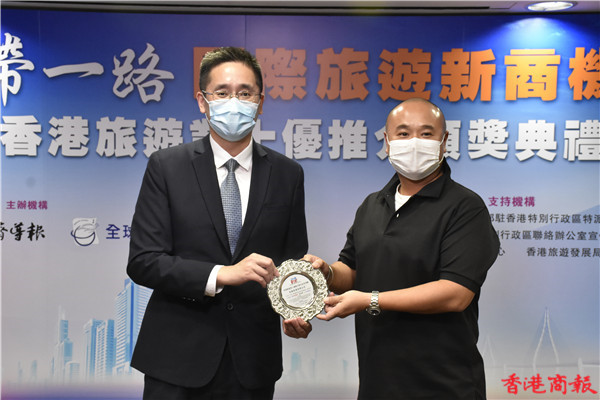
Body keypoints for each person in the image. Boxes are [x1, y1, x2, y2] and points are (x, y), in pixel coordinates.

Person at [127, 46, 311, 400]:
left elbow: (291, 262)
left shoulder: (288, 174)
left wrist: (295, 308)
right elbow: (144, 261)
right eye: (222, 93)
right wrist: (221, 274)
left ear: (260, 102)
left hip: (252, 362)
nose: (234, 102)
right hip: (176, 358)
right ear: (203, 101)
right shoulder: (167, 167)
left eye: (245, 93)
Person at [305, 98, 500, 399]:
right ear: (387, 141)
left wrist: (370, 300)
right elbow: (352, 270)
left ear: (444, 141)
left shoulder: (465, 207)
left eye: (426, 133)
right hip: (378, 379)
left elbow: (455, 293)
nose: (414, 142)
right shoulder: (372, 205)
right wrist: (327, 272)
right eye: (404, 133)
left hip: (444, 384)